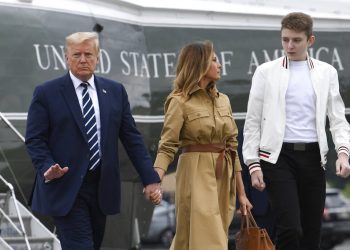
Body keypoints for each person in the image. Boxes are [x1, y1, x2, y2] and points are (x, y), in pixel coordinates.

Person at [25, 32, 162, 250]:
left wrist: (150, 179)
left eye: (88, 54)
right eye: (76, 54)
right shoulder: (47, 93)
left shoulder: (115, 92)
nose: (82, 59)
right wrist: (46, 167)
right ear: (66, 58)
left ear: (98, 57)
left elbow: (132, 139)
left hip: (101, 188)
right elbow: (34, 139)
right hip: (66, 186)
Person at [243, 12, 350, 250]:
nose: (289, 45)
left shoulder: (326, 72)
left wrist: (343, 153)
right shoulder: (266, 72)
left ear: (310, 41)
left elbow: (337, 118)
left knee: (312, 231)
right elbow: (252, 122)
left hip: (314, 158)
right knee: (290, 227)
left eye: (296, 40)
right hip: (277, 158)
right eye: (285, 39)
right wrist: (253, 164)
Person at [153, 40, 252, 250]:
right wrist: (155, 180)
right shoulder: (179, 101)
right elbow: (167, 146)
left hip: (224, 173)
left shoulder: (224, 100)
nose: (220, 65)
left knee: (191, 241)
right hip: (195, 172)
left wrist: (242, 193)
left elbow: (232, 148)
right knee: (210, 241)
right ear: (199, 65)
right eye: (214, 60)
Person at [237, 127, 275, 241]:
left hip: (283, 202)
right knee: (259, 243)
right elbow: (240, 170)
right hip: (257, 205)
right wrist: (240, 200)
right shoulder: (247, 133)